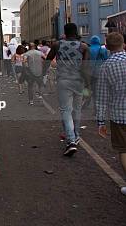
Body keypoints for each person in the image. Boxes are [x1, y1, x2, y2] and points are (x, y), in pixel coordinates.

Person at [44, 23, 90, 157]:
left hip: (63, 81)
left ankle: (71, 141)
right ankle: (76, 136)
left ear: (65, 32)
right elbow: (85, 67)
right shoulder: (84, 47)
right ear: (76, 32)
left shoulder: (57, 45)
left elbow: (47, 61)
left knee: (66, 110)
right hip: (79, 81)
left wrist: (41, 75)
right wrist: (88, 84)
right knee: (76, 110)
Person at [95, 32, 126, 196]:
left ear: (106, 47)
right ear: (124, 44)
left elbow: (101, 97)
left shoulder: (106, 66)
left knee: (124, 150)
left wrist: (100, 122)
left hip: (119, 116)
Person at [82, 35, 109, 109]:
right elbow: (106, 60)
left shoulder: (88, 49)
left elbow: (85, 61)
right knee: (98, 89)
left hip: (89, 72)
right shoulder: (103, 49)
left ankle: (86, 99)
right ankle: (96, 105)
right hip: (99, 72)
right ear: (99, 41)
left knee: (87, 87)